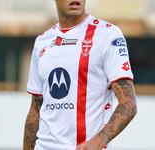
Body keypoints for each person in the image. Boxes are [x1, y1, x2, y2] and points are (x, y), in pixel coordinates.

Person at [23, 0, 137, 150]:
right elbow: (35, 110)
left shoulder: (108, 34)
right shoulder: (42, 42)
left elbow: (128, 103)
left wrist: (98, 141)